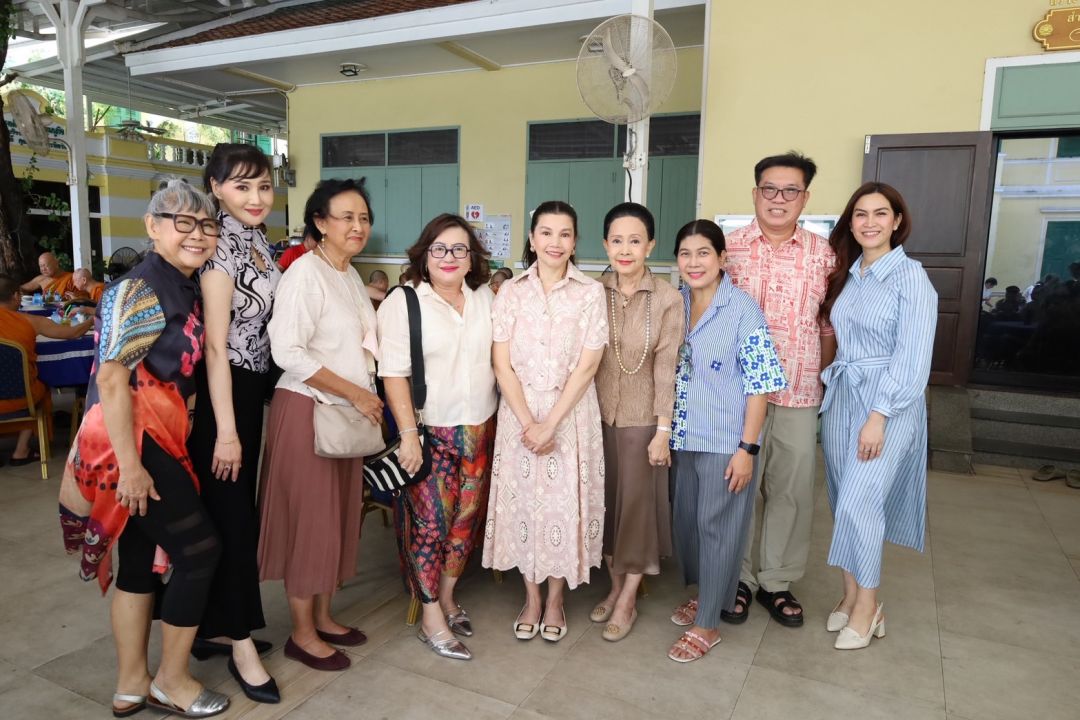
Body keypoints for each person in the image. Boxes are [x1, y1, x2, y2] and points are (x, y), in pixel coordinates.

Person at [61, 179, 230, 718]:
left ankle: (131, 683)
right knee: (200, 551)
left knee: (139, 562)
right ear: (152, 227)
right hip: (131, 443)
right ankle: (173, 680)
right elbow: (112, 380)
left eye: (206, 224)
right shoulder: (141, 287)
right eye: (183, 222)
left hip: (155, 438)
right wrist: (131, 469)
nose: (197, 234)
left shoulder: (181, 284)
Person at [258, 178, 382, 672]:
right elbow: (287, 351)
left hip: (344, 415)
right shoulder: (305, 273)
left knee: (336, 520)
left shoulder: (348, 275)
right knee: (309, 523)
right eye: (346, 217)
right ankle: (302, 633)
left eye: (364, 218)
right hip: (308, 410)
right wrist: (356, 392)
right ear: (320, 222)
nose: (357, 226)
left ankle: (325, 617)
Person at [482, 200, 607, 643]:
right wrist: (528, 423)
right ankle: (531, 598)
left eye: (565, 234)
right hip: (519, 413)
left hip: (570, 413)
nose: (555, 242)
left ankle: (555, 600)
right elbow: (501, 364)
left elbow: (588, 366)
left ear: (575, 242)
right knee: (524, 506)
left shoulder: (590, 293)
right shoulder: (510, 292)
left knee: (561, 507)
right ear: (532, 239)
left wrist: (551, 423)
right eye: (546, 233)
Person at [818, 182, 936, 650]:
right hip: (843, 397)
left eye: (880, 213)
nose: (870, 222)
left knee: (860, 501)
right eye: (861, 214)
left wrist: (879, 414)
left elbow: (913, 358)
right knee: (841, 500)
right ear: (851, 223)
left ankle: (869, 606)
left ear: (897, 221)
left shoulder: (911, 277)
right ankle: (850, 595)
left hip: (888, 404)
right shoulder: (851, 275)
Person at [667, 220, 787, 663]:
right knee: (689, 524)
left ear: (721, 258)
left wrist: (746, 450)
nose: (693, 262)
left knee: (716, 528)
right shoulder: (676, 303)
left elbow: (760, 386)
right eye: (685, 253)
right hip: (682, 435)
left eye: (703, 253)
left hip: (725, 441)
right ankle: (707, 595)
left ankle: (708, 625)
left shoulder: (742, 310)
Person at [186, 143, 281, 702]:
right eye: (242, 186)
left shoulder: (259, 240)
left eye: (263, 185)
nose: (255, 196)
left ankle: (217, 625)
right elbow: (216, 348)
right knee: (232, 519)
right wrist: (226, 431)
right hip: (222, 395)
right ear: (216, 188)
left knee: (235, 514)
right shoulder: (219, 245)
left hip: (249, 389)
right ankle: (240, 643)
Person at [378, 213, 496, 661]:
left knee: (464, 524)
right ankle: (430, 617)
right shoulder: (404, 301)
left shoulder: (485, 299)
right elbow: (393, 374)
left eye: (459, 249)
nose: (449, 257)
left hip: (480, 427)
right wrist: (408, 434)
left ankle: (447, 598)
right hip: (431, 431)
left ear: (472, 258)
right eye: (440, 248)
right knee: (430, 527)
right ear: (424, 255)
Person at [726, 151, 836, 627]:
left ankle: (777, 580)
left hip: (798, 392)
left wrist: (820, 379)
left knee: (790, 490)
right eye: (770, 188)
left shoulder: (825, 256)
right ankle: (737, 577)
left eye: (791, 190)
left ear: (804, 198)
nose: (779, 198)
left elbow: (829, 326)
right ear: (755, 193)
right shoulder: (727, 250)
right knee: (737, 488)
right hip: (734, 395)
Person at [591, 202, 683, 641]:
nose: (625, 250)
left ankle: (628, 599)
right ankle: (613, 587)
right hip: (594, 418)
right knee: (605, 507)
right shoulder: (592, 293)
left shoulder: (667, 298)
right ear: (605, 245)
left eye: (634, 241)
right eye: (617, 240)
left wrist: (662, 430)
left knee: (637, 512)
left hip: (642, 420)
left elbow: (667, 369)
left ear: (650, 245)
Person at [0, 275, 92, 465]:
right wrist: (92, 321)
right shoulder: (30, 321)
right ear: (16, 296)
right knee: (41, 385)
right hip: (21, 398)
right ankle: (21, 451)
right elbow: (73, 333)